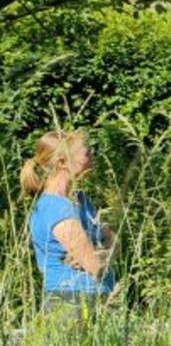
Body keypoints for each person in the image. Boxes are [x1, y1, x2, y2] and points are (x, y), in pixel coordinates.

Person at [21, 130, 115, 314]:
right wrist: (100, 253)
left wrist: (100, 252)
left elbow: (115, 241)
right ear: (63, 162)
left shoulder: (80, 199)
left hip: (96, 298)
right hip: (72, 304)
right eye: (86, 152)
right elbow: (95, 266)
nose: (92, 155)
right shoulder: (55, 207)